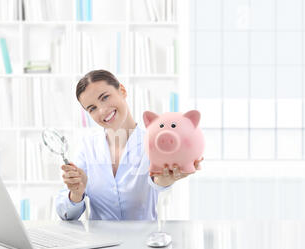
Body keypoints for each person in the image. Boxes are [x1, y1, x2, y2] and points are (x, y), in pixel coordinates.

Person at [55, 70, 202, 220]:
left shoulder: (153, 143)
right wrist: (76, 194)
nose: (102, 110)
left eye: (105, 97)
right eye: (92, 108)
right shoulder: (88, 148)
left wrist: (169, 177)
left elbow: (158, 181)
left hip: (143, 241)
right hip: (99, 242)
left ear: (122, 91)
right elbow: (66, 214)